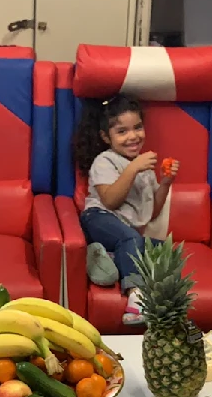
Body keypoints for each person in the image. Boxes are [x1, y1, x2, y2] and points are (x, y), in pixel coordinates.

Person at [74, 94, 179, 325]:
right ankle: (136, 295)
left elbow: (151, 212)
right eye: (122, 131)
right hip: (99, 218)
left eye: (138, 128)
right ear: (106, 137)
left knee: (166, 252)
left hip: (126, 235)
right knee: (131, 239)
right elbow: (110, 200)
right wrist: (132, 169)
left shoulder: (146, 168)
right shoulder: (105, 161)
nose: (133, 136)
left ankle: (106, 260)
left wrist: (165, 183)